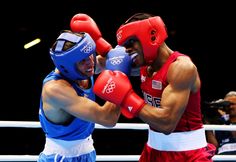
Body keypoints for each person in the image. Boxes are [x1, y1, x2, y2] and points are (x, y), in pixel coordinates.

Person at [93, 13, 216, 161]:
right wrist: (68, 62)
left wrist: (126, 98)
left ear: (152, 36)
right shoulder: (144, 63)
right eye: (125, 45)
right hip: (153, 151)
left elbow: (167, 123)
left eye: (131, 42)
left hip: (188, 154)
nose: (127, 50)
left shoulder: (181, 68)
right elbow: (97, 64)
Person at [37, 30, 121, 162]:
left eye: (90, 55)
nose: (91, 62)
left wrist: (123, 56)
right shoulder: (55, 89)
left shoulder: (84, 68)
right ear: (67, 66)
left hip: (88, 153)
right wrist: (121, 77)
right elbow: (108, 118)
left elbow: (119, 62)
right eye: (83, 60)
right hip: (60, 158)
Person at [206, 91, 236, 158]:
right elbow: (214, 148)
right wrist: (207, 122)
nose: (230, 107)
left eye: (232, 104)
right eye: (227, 104)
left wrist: (227, 120)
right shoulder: (219, 122)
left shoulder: (225, 120)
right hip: (222, 158)